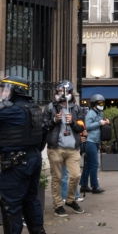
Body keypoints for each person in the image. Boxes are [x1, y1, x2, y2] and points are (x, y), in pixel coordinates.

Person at [0, 76, 48, 234]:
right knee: (30, 199)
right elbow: (43, 133)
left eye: (6, 89)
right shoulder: (33, 108)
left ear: (16, 90)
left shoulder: (11, 110)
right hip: (33, 158)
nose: (4, 93)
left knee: (10, 204)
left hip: (15, 163)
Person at [43, 80, 85, 217]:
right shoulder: (50, 107)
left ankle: (71, 200)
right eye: (60, 91)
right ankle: (58, 205)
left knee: (75, 175)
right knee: (57, 178)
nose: (62, 94)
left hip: (72, 148)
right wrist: (55, 120)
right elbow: (44, 126)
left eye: (65, 91)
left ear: (70, 93)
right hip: (56, 148)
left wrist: (72, 122)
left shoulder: (76, 108)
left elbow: (81, 128)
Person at [80, 94, 107, 194]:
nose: (101, 105)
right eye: (100, 103)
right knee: (95, 164)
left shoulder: (100, 113)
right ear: (94, 104)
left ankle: (84, 185)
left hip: (95, 141)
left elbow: (99, 126)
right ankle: (95, 186)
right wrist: (100, 123)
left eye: (102, 103)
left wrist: (104, 122)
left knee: (88, 164)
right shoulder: (90, 113)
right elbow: (87, 126)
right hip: (90, 141)